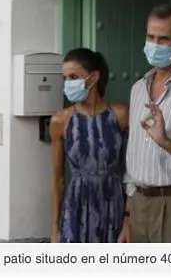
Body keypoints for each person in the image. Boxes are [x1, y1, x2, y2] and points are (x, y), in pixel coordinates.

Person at [118, 4, 171, 243]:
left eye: (163, 39)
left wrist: (165, 142)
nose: (155, 45)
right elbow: (134, 159)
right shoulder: (138, 88)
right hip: (138, 204)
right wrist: (127, 215)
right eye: (150, 37)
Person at [50, 48, 129, 243]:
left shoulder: (121, 115)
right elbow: (57, 179)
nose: (68, 84)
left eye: (74, 77)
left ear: (93, 77)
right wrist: (54, 228)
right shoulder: (61, 120)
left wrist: (129, 219)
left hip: (113, 204)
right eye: (65, 78)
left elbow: (134, 170)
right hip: (76, 204)